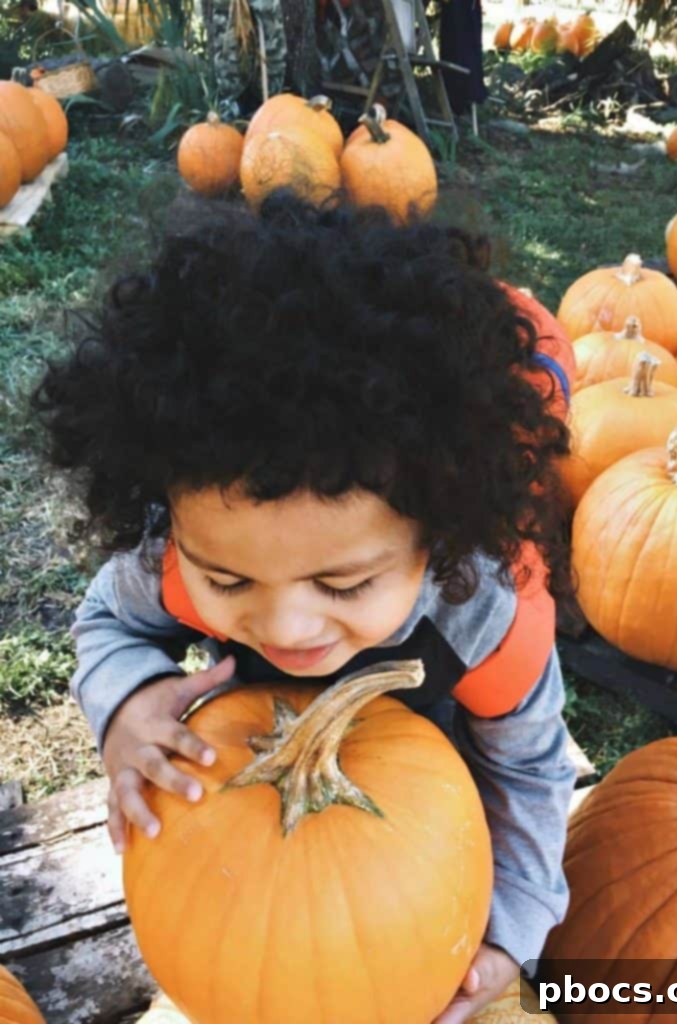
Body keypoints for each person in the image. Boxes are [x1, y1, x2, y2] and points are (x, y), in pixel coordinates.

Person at [32, 190, 576, 1024]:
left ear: (438, 530)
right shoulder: (179, 556)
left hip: (423, 857)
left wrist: (511, 932)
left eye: (345, 586)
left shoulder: (485, 616)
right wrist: (126, 704)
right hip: (237, 865)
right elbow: (110, 619)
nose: (285, 628)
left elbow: (531, 771)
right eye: (230, 583)